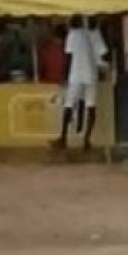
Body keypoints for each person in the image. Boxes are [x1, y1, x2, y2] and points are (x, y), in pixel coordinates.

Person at [52, 14, 106, 153]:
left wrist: (64, 76)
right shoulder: (89, 34)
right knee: (91, 106)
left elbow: (68, 57)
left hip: (76, 74)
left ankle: (63, 138)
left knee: (69, 105)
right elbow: (101, 53)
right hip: (91, 75)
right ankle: (86, 140)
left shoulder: (72, 35)